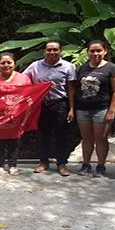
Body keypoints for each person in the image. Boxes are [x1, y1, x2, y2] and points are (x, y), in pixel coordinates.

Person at [23, 40, 76, 176]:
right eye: (49, 50)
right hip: (41, 105)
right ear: (44, 52)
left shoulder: (68, 66)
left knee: (61, 134)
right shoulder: (35, 66)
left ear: (60, 51)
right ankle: (43, 162)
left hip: (60, 104)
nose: (52, 52)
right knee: (42, 134)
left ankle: (62, 164)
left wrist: (71, 108)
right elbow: (23, 80)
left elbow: (71, 89)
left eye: (55, 49)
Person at [75, 40, 115, 177]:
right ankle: (86, 164)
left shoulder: (112, 68)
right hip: (83, 108)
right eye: (92, 51)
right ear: (87, 52)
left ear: (105, 51)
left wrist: (112, 111)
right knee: (86, 138)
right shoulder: (82, 68)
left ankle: (101, 165)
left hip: (101, 109)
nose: (95, 54)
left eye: (98, 51)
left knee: (101, 138)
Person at [0, 52, 32, 176]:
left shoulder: (23, 78)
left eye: (9, 62)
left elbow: (30, 96)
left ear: (14, 64)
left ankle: (12, 165)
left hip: (16, 116)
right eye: (3, 63)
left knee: (14, 141)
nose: (6, 65)